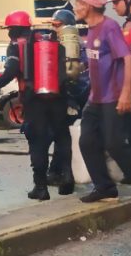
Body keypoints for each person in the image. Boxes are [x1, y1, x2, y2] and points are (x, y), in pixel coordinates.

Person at [0, 10, 74, 200]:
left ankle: (41, 187)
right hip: (58, 96)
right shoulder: (52, 41)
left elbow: (11, 70)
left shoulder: (15, 46)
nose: (8, 32)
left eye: (9, 28)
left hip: (34, 99)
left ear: (15, 29)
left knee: (38, 142)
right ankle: (67, 177)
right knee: (62, 136)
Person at [73, 0, 131, 202]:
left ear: (89, 6)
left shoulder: (109, 27)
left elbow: (127, 58)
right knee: (87, 141)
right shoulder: (90, 30)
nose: (76, 7)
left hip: (112, 96)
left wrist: (126, 93)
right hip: (95, 98)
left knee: (114, 144)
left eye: (79, 3)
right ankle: (105, 188)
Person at [46, 10, 89, 186]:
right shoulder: (80, 43)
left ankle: (61, 173)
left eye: (56, 25)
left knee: (63, 137)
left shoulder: (69, 44)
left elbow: (71, 75)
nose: (53, 28)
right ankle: (59, 171)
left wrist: (70, 98)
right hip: (77, 96)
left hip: (69, 96)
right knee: (64, 136)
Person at [107, 0, 131, 144]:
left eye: (117, 2)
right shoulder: (127, 25)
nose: (114, 7)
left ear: (129, 1)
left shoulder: (130, 28)